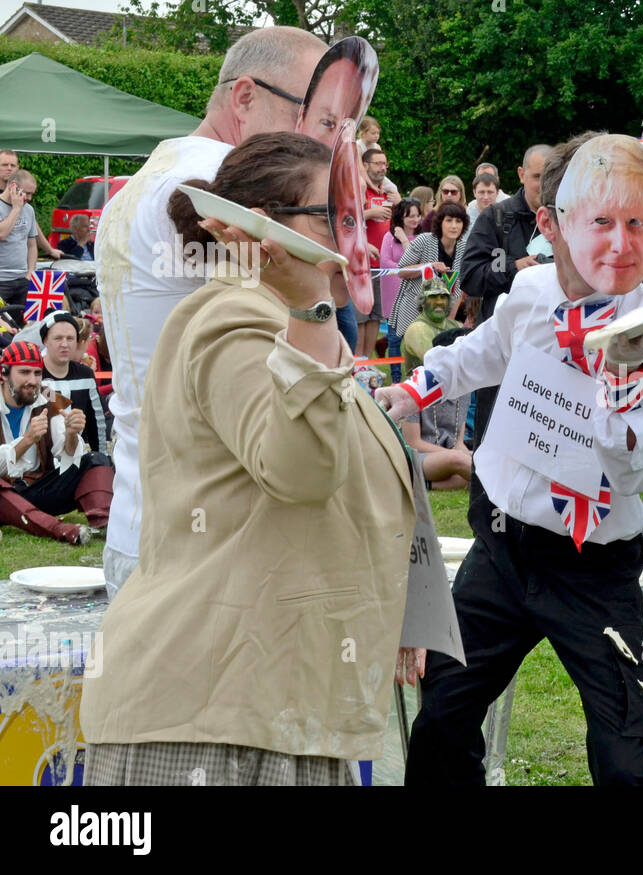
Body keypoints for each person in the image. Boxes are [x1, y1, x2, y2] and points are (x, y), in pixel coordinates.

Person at [78, 132, 421, 786]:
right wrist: (311, 305)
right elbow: (301, 472)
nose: (361, 242)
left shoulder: (293, 327)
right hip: (207, 720)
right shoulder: (235, 317)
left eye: (361, 218)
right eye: (337, 218)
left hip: (267, 709)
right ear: (263, 226)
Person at [381, 132, 643, 787]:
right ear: (552, 223)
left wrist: (622, 388)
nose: (614, 241)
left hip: (593, 566)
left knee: (629, 749)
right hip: (502, 545)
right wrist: (412, 389)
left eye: (631, 219)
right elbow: (480, 351)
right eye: (597, 219)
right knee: (441, 716)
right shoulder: (529, 292)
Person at [95, 27, 326, 603]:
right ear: (245, 97)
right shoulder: (221, 187)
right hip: (213, 544)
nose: (324, 137)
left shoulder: (146, 179)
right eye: (315, 113)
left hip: (143, 518)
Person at [458, 143, 551, 442]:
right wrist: (513, 268)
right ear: (522, 175)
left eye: (552, 176)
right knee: (491, 445)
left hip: (551, 351)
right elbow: (470, 277)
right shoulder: (496, 218)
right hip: (502, 353)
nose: (545, 185)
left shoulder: (568, 220)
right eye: (538, 176)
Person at [0, 340, 111, 544]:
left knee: (96, 460)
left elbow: (69, 456)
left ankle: (105, 525)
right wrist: (27, 440)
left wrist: (71, 434)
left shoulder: (48, 396)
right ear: (4, 373)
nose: (32, 381)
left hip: (39, 490)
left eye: (37, 373)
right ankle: (60, 529)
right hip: (4, 498)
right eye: (24, 372)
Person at [389, 202, 469, 373]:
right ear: (440, 222)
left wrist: (449, 323)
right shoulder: (424, 240)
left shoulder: (463, 247)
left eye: (458, 221)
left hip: (443, 311)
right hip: (414, 308)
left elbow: (457, 287)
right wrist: (429, 266)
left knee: (438, 363)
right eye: (449, 220)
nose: (454, 226)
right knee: (418, 364)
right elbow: (402, 271)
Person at [400, 310, 471, 490]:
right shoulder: (417, 387)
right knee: (458, 460)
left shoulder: (464, 388)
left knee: (476, 460)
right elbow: (412, 443)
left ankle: (425, 485)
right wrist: (455, 454)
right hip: (417, 456)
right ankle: (496, 488)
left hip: (446, 455)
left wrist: (464, 453)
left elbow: (458, 440)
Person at [40, 312, 108, 455]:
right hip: (42, 461)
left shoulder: (86, 374)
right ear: (45, 340)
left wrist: (101, 459)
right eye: (58, 338)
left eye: (70, 338)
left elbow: (97, 422)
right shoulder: (34, 373)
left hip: (77, 455)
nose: (64, 344)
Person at [358, 147, 396, 357]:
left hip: (382, 265)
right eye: (378, 163)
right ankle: (359, 361)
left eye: (385, 164)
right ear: (365, 165)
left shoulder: (386, 191)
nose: (382, 168)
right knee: (361, 316)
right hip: (362, 263)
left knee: (375, 316)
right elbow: (346, 220)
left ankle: (369, 364)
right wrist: (370, 213)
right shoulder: (360, 188)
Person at [0, 169, 38, 326]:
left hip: (22, 279)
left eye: (32, 194)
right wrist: (16, 208)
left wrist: (30, 271)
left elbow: (32, 244)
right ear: (13, 186)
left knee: (20, 326)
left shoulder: (29, 210)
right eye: (26, 193)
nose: (29, 198)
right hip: (1, 280)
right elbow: (2, 234)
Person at [380, 197, 422, 324]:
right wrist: (409, 270)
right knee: (395, 339)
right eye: (410, 216)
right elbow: (385, 262)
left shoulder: (423, 237)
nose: (416, 220)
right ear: (401, 218)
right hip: (394, 294)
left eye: (418, 215)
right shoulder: (389, 237)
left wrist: (404, 240)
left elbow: (420, 262)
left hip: (415, 294)